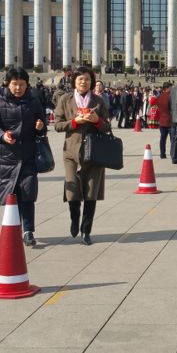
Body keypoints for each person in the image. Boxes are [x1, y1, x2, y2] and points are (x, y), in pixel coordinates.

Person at [0, 66, 47, 247]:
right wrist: (2, 136)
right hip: (6, 157)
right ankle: (13, 229)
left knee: (28, 194)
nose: (18, 88)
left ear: (27, 85)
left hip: (28, 155)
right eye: (15, 84)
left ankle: (28, 231)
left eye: (22, 84)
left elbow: (42, 125)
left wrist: (40, 126)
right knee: (11, 195)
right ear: (7, 83)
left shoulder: (33, 102)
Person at [53, 66, 110, 244]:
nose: (84, 82)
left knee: (91, 193)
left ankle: (86, 230)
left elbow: (107, 127)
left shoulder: (98, 101)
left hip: (94, 153)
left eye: (87, 79)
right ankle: (74, 217)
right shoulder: (65, 99)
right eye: (80, 79)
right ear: (74, 81)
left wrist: (97, 121)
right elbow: (57, 125)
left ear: (91, 82)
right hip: (71, 152)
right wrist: (74, 122)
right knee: (72, 192)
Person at [157, 82, 172, 159]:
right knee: (173, 139)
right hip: (170, 120)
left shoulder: (159, 96)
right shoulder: (170, 96)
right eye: (171, 87)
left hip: (162, 120)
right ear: (167, 88)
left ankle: (162, 154)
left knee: (162, 138)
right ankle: (173, 153)